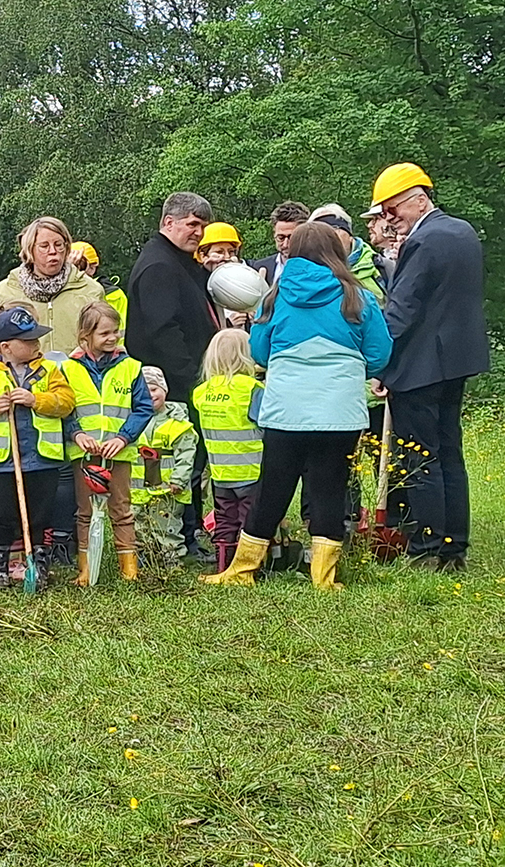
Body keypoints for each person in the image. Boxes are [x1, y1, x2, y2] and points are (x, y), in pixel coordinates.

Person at [200, 223, 393, 588]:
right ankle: (323, 576)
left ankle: (241, 571)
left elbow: (258, 353)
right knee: (329, 489)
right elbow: (380, 353)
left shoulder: (274, 296)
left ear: (294, 252)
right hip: (339, 412)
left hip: (286, 411)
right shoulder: (358, 295)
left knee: (272, 488)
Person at [369, 163, 489, 571]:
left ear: (419, 198)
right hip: (457, 361)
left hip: (420, 367)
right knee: (450, 454)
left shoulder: (425, 241)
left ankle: (426, 549)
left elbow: (402, 310)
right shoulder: (463, 232)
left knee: (420, 458)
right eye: (384, 213)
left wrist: (379, 362)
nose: (389, 219)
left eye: (392, 209)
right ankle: (455, 548)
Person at [125, 191, 218, 557]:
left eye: (202, 226)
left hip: (183, 380)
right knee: (178, 466)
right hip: (173, 386)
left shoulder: (180, 261)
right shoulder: (160, 267)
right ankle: (181, 537)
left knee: (189, 463)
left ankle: (187, 533)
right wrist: (192, 375)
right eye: (192, 224)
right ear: (169, 222)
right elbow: (164, 331)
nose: (199, 232)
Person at [0, 306, 76, 589]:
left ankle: (37, 562)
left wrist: (37, 399)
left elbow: (66, 401)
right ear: (5, 347)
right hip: (1, 462)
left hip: (41, 459)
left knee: (40, 513)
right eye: (28, 341)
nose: (36, 344)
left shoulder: (49, 369)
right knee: (1, 513)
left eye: (36, 339)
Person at [63, 300, 151, 584]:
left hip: (119, 452)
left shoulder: (131, 367)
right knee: (85, 510)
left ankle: (129, 569)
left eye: (116, 332)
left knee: (121, 508)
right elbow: (63, 409)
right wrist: (77, 434)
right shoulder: (68, 368)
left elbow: (143, 407)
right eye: (105, 334)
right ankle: (86, 569)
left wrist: (123, 438)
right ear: (85, 336)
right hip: (84, 452)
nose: (112, 338)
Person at [0, 217, 103, 358]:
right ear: (30, 250)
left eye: (59, 244)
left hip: (78, 375)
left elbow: (107, 335)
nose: (53, 251)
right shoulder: (2, 292)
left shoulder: (90, 289)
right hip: (22, 377)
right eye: (44, 246)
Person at [190, 328, 264, 571]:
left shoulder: (202, 393)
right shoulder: (252, 390)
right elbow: (265, 424)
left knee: (225, 520)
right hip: (251, 471)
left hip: (220, 473)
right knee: (249, 520)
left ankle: (223, 564)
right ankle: (248, 567)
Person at [128, 368, 197, 569]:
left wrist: (179, 479)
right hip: (137, 489)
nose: (149, 395)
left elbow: (186, 454)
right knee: (138, 525)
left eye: (154, 388)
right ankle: (144, 559)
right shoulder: (131, 419)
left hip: (168, 489)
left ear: (164, 390)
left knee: (166, 527)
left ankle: (171, 560)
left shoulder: (178, 423)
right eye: (143, 390)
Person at [68, 243, 128, 340]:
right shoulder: (56, 293)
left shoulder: (114, 295)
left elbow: (121, 333)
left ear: (93, 267)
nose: (75, 270)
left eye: (79, 264)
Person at [248, 202, 311, 285]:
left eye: (291, 238)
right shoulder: (259, 267)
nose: (285, 244)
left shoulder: (319, 269)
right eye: (280, 238)